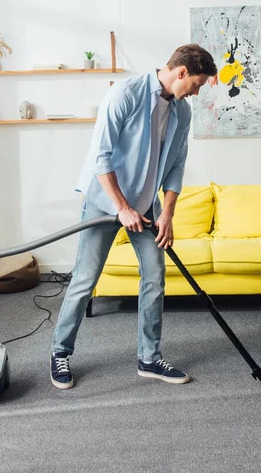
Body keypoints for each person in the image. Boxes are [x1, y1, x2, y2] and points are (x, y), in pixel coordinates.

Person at [51, 43, 218, 389]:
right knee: (85, 280)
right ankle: (60, 351)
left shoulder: (181, 113)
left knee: (155, 278)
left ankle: (149, 357)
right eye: (197, 84)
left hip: (145, 209)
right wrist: (121, 208)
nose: (197, 92)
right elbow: (101, 158)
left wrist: (167, 213)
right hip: (104, 202)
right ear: (182, 72)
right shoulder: (124, 94)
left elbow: (175, 167)